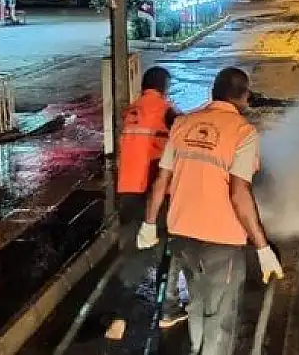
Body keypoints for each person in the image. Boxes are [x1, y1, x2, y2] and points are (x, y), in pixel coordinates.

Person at [138, 67, 284, 355]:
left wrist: (149, 224)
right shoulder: (243, 131)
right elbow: (239, 192)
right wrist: (262, 247)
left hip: (182, 233)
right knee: (220, 318)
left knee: (197, 304)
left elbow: (161, 180)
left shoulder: (183, 124)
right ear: (243, 97)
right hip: (222, 240)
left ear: (213, 93)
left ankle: (196, 349)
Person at [105, 67, 186, 340]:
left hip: (127, 192)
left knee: (131, 254)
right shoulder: (167, 111)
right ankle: (168, 310)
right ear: (164, 86)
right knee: (168, 249)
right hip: (155, 193)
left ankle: (119, 318)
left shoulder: (131, 112)